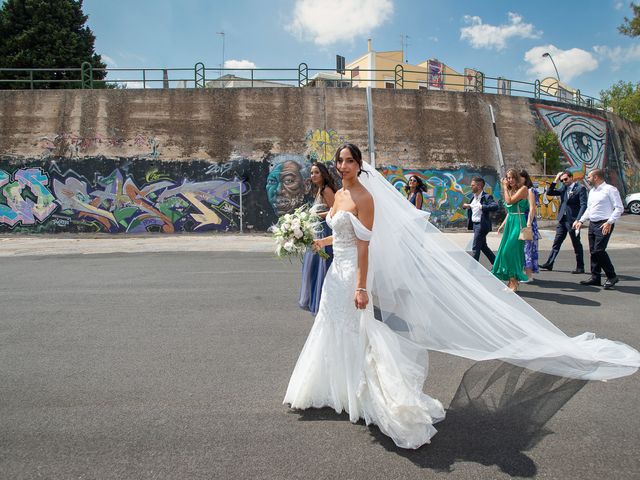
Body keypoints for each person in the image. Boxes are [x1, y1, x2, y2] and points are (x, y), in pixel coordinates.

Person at [284, 145, 639, 450]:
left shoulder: (363, 196)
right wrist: (319, 241)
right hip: (335, 274)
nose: (344, 166)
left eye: (349, 160)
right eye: (340, 161)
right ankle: (336, 388)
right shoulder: (339, 195)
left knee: (356, 330)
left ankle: (366, 393)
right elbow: (342, 235)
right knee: (332, 327)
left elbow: (364, 245)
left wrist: (362, 287)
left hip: (352, 277)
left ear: (360, 164)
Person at [573, 169, 624, 289]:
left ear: (596, 177)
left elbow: (619, 208)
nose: (588, 179)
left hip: (604, 223)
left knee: (599, 250)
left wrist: (609, 222)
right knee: (593, 251)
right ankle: (595, 277)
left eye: (589, 177)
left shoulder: (610, 190)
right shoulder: (592, 191)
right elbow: (590, 209)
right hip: (593, 224)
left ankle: (612, 276)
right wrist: (581, 220)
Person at [298, 162, 337, 315]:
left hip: (324, 232)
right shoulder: (319, 190)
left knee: (322, 266)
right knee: (312, 267)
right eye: (312, 173)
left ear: (323, 174)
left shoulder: (327, 190)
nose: (313, 175)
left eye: (316, 173)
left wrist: (315, 215)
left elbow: (336, 211)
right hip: (317, 231)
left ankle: (324, 303)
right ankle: (316, 299)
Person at [540, 170, 587, 274]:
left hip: (573, 221)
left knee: (576, 244)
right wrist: (556, 180)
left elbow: (583, 205)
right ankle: (549, 263)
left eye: (565, 179)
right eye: (562, 180)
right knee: (556, 242)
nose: (564, 181)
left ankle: (580, 267)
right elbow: (549, 193)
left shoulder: (580, 188)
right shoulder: (563, 188)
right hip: (562, 219)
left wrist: (579, 219)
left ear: (571, 177)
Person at [491, 169, 529, 291]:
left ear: (516, 178)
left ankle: (514, 280)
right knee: (505, 252)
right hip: (510, 222)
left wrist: (504, 187)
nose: (510, 180)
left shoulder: (523, 189)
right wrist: (502, 225)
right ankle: (512, 281)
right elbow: (510, 211)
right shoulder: (510, 190)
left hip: (518, 222)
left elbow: (509, 201)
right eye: (508, 178)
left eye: (512, 177)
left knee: (509, 252)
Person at [462, 176, 498, 265]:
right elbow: (473, 207)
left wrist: (482, 207)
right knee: (483, 247)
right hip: (475, 225)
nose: (471, 187)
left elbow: (495, 206)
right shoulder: (473, 197)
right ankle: (497, 264)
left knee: (475, 248)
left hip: (481, 225)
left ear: (479, 186)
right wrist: (467, 206)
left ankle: (472, 270)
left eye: (472, 185)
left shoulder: (486, 197)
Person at [520, 170, 540, 283]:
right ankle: (525, 273)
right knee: (523, 248)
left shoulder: (530, 190)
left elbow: (532, 208)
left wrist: (528, 223)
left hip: (528, 221)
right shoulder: (520, 191)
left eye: (519, 177)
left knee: (528, 248)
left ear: (525, 178)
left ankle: (529, 276)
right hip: (520, 221)